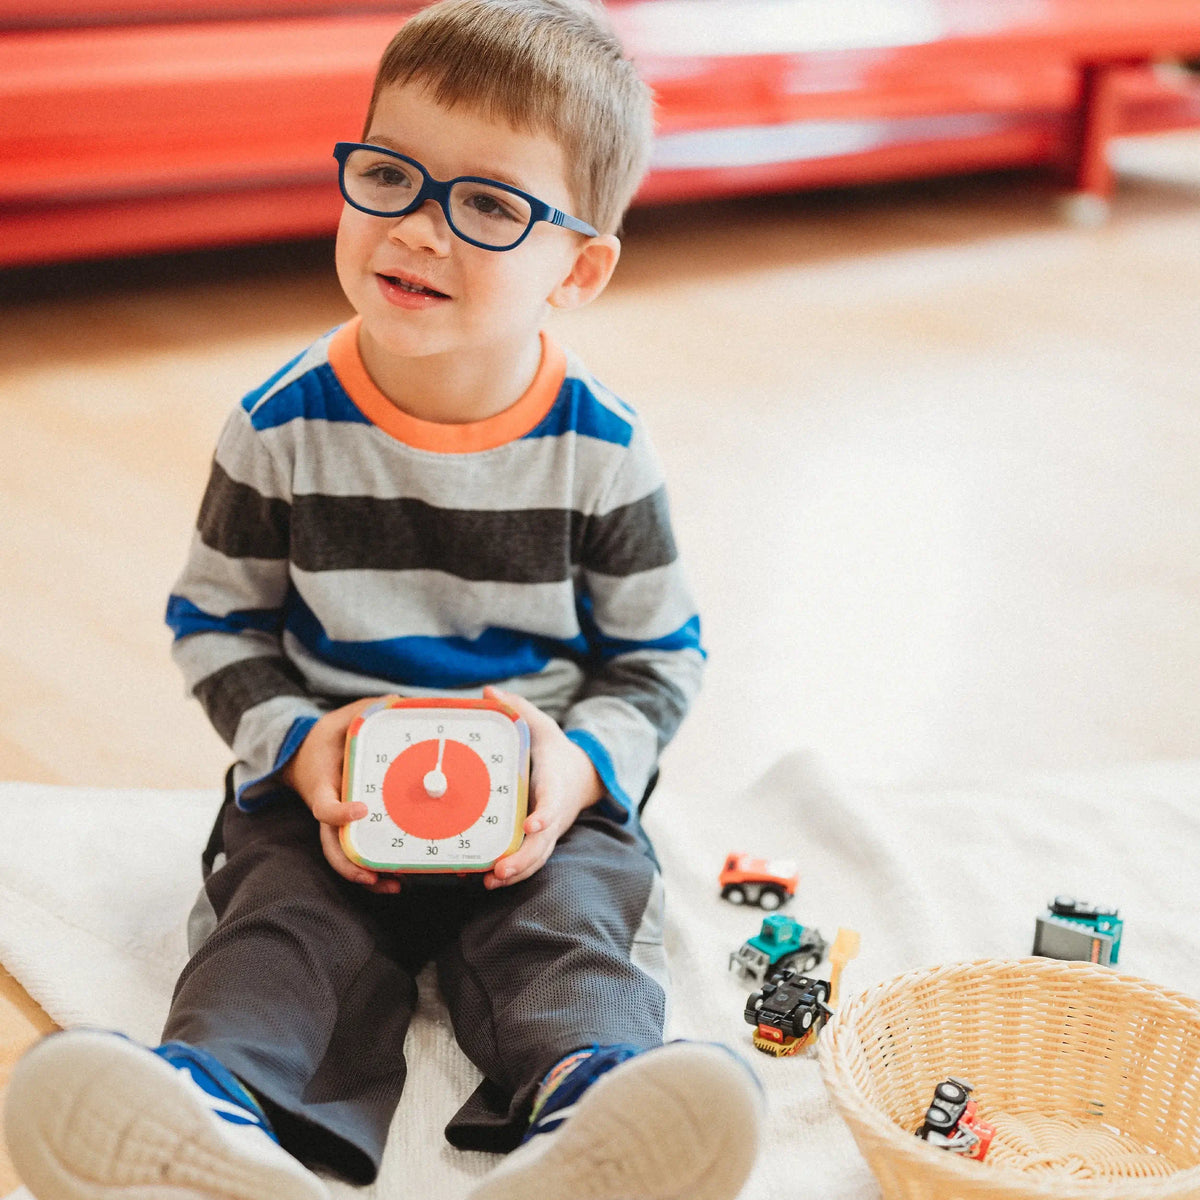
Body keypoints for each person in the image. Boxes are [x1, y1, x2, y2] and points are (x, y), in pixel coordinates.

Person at [3, 0, 764, 1197]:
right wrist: (298, 753)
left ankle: (592, 1118)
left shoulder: (604, 450)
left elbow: (658, 659)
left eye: (492, 204)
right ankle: (214, 1126)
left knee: (568, 927)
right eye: (391, 176)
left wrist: (580, 773)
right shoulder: (280, 424)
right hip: (335, 791)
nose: (420, 229)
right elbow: (218, 623)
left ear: (581, 267)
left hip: (533, 798)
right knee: (280, 928)